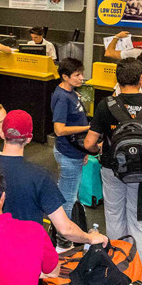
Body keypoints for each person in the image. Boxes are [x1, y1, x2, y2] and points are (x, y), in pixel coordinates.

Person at [84, 59, 142, 283]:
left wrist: (100, 150)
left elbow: (89, 143)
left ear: (117, 79)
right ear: (140, 78)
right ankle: (141, 278)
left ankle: (117, 272)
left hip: (112, 168)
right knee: (140, 222)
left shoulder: (107, 105)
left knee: (114, 217)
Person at [0, 110, 107, 247]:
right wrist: (90, 238)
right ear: (29, 139)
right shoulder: (40, 176)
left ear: (2, 134)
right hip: (26, 254)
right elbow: (65, 229)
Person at [51, 58, 90, 223]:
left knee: (65, 191)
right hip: (68, 153)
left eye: (81, 74)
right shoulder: (62, 97)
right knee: (69, 198)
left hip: (75, 151)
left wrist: (85, 150)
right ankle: (63, 237)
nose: (81, 78)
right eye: (77, 75)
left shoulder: (72, 92)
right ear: (65, 77)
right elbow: (59, 130)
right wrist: (87, 129)